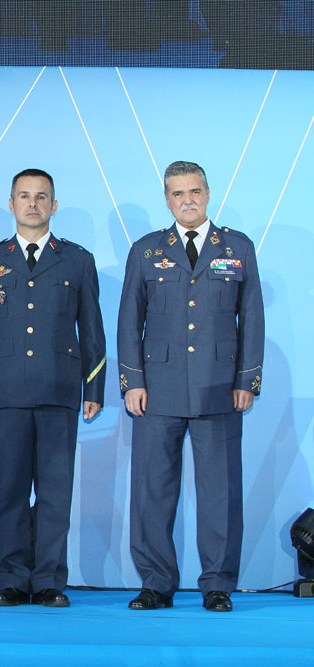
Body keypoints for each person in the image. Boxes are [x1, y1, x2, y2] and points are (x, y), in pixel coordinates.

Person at [118, 161, 264, 613]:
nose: (188, 200)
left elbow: (253, 318)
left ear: (208, 193)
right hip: (157, 390)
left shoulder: (237, 247)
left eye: (195, 191)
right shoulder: (145, 251)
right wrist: (132, 383)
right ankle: (156, 583)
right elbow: (128, 322)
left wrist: (247, 381)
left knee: (220, 492)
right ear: (166, 199)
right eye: (178, 193)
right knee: (151, 490)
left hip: (219, 387)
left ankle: (217, 583)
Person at [0, 169, 105, 608]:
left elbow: (93, 330)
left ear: (53, 206)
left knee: (55, 492)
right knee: (9, 491)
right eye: (24, 196)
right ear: (11, 204)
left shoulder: (77, 260)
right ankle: (10, 579)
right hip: (4, 395)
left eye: (41, 197)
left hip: (59, 393)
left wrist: (94, 387)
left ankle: (48, 581)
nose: (32, 204)